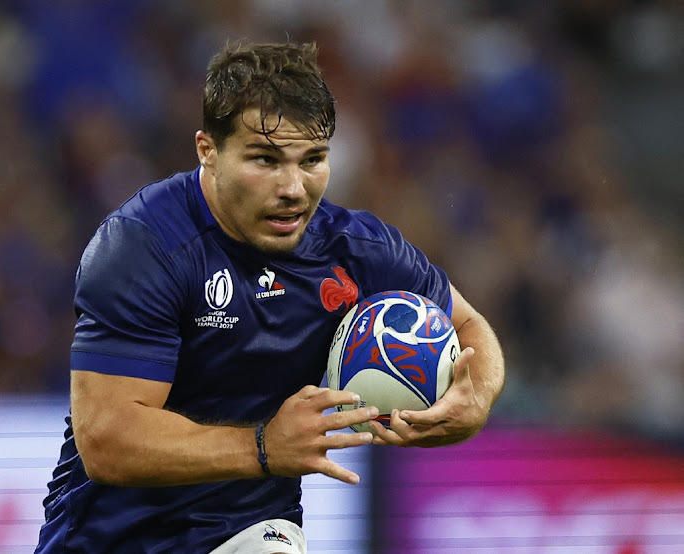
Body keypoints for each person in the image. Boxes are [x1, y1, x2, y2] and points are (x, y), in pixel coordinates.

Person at [35, 40, 504, 554]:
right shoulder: (145, 246)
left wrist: (475, 398)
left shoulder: (357, 250)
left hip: (253, 531)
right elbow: (106, 440)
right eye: (266, 159)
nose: (294, 187)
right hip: (109, 541)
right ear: (207, 151)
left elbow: (469, 326)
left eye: (313, 160)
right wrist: (262, 448)